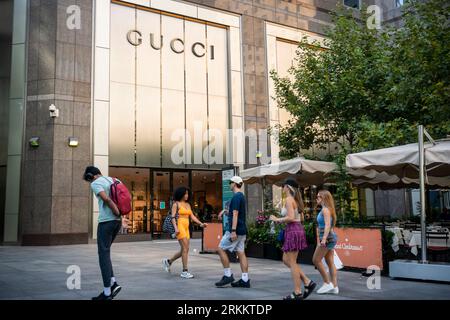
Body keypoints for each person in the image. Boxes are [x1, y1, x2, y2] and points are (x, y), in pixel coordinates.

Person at [83, 166, 129, 300]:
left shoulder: (96, 183)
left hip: (106, 222)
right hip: (116, 222)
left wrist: (115, 211)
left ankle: (107, 291)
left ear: (91, 175)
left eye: (89, 178)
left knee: (102, 254)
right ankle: (113, 283)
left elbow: (106, 199)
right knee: (106, 252)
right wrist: (119, 215)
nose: (89, 181)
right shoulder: (115, 179)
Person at [270, 177, 316, 300]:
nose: (282, 187)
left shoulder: (289, 200)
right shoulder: (294, 200)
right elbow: (300, 219)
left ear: (288, 187)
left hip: (293, 230)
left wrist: (276, 219)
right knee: (286, 260)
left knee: (292, 262)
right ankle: (307, 282)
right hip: (295, 229)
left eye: (283, 185)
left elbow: (290, 217)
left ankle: (297, 292)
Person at [162, 187, 208, 279]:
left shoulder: (188, 205)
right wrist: (176, 229)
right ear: (181, 194)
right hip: (179, 227)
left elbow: (192, 217)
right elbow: (173, 217)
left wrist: (201, 224)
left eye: (187, 194)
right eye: (185, 194)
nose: (187, 195)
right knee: (185, 249)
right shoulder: (176, 204)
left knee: (185, 249)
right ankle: (184, 271)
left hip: (186, 228)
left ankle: (168, 261)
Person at [215, 176, 250, 288]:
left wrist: (233, 231)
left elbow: (235, 214)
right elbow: (235, 213)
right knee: (241, 253)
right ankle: (245, 279)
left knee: (220, 249)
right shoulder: (241, 196)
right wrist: (225, 211)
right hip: (242, 230)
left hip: (235, 230)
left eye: (230, 182)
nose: (229, 184)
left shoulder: (235, 197)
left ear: (234, 184)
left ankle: (228, 275)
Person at [313, 190, 339, 295]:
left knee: (316, 260)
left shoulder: (325, 210)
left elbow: (327, 225)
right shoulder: (327, 209)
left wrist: (323, 239)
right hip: (329, 237)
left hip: (327, 238)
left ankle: (327, 282)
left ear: (324, 198)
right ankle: (335, 286)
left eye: (319, 197)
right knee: (330, 262)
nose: (317, 198)